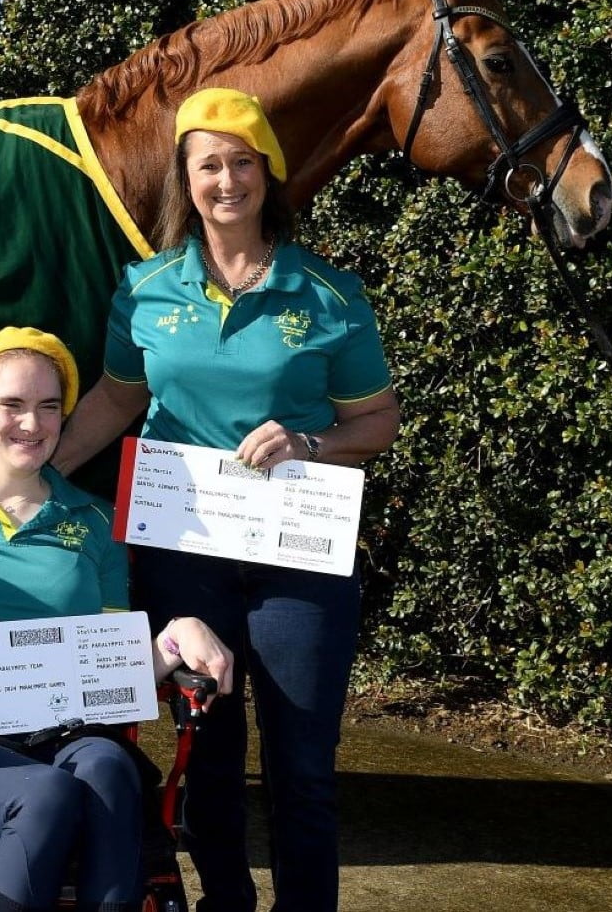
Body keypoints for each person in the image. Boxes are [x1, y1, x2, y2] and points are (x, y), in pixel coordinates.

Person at [52, 88, 401, 912]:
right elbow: (115, 397)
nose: (226, 180)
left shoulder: (330, 294)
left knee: (302, 765)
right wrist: (36, 473)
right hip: (182, 553)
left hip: (299, 561)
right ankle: (226, 901)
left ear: (269, 174)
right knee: (204, 747)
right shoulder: (146, 289)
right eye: (209, 163)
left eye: (243, 162)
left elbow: (377, 421)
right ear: (186, 176)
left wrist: (308, 443)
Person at [0, 327, 235, 912]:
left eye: (49, 406)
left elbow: (112, 661)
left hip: (74, 736)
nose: (32, 425)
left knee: (111, 769)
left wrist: (176, 632)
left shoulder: (94, 522)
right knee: (47, 795)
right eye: (12, 404)